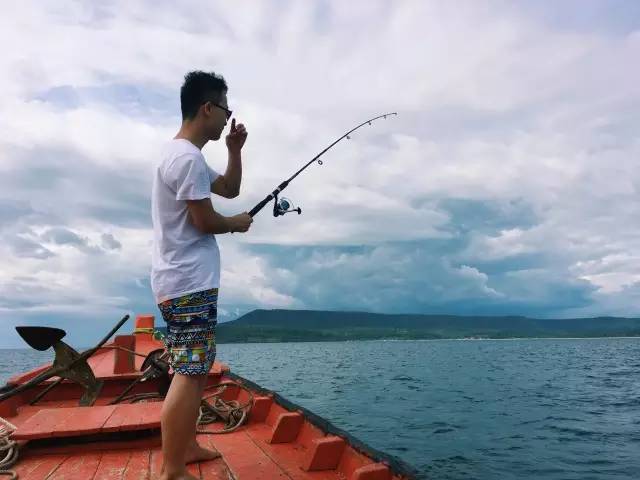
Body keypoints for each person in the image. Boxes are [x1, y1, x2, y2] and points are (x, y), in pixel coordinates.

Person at [150, 70, 253, 480]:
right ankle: (172, 470)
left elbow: (229, 188)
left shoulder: (183, 155)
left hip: (181, 282)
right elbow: (204, 220)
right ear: (207, 107)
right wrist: (236, 224)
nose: (228, 117)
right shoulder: (187, 159)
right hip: (187, 283)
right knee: (190, 374)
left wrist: (235, 150)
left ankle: (186, 446)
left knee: (191, 368)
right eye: (226, 109)